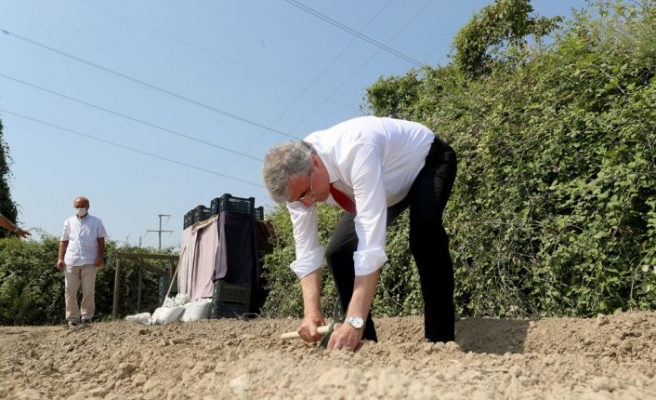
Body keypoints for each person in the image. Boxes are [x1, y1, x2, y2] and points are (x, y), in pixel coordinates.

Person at [262, 116, 458, 351]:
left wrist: (354, 320)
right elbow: (306, 251)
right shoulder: (297, 185)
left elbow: (370, 247)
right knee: (339, 252)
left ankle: (440, 339)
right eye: (298, 200)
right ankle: (364, 342)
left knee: (424, 233)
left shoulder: (355, 149)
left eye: (307, 193)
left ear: (315, 162)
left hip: (426, 162)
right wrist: (311, 313)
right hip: (384, 189)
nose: (306, 203)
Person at [56, 196, 107, 328]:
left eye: (82, 206)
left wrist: (100, 256)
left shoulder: (96, 222)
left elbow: (101, 240)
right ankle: (72, 318)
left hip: (90, 260)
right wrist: (60, 258)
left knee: (88, 291)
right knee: (70, 290)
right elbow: (64, 241)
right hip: (71, 260)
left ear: (88, 207)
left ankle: (86, 318)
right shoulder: (68, 221)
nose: (80, 209)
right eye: (77, 206)